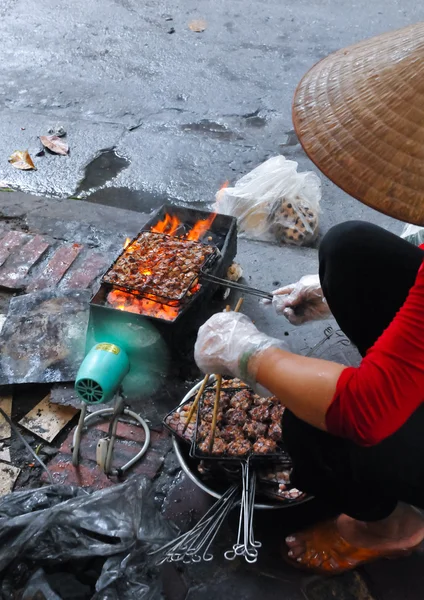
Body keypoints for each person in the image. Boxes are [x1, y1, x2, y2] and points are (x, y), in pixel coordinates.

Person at [194, 220, 424, 574]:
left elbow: (362, 412)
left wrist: (249, 354)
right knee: (350, 250)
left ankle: (392, 528)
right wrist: (335, 292)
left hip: (372, 418)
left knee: (313, 429)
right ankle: (394, 373)